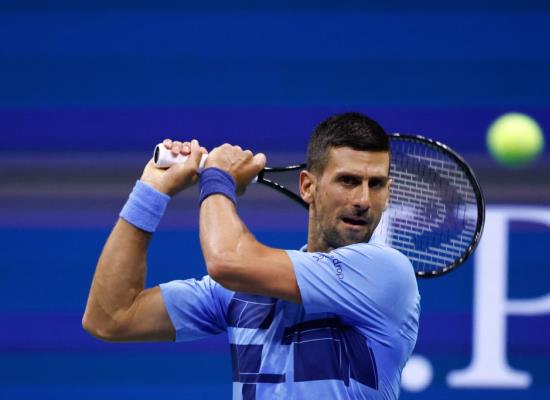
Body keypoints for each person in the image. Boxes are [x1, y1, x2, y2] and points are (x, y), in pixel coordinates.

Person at [83, 112, 420, 399]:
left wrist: (218, 178)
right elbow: (111, 317)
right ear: (307, 187)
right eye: (348, 181)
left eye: (376, 184)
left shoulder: (387, 274)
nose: (363, 199)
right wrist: (151, 190)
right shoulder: (244, 289)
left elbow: (226, 261)